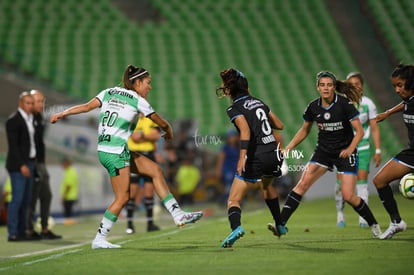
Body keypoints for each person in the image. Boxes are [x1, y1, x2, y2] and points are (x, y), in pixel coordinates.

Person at [50, 65, 203, 249]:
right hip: (115, 152)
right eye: (148, 83)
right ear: (137, 82)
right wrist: (169, 130)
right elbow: (160, 122)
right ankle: (99, 239)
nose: (150, 87)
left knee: (154, 170)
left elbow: (85, 107)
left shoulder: (108, 92)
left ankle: (177, 214)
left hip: (108, 149)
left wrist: (61, 113)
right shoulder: (137, 100)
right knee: (123, 197)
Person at [278, 71, 382, 238]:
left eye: (329, 85)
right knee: (303, 183)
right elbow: (304, 130)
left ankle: (373, 224)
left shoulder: (345, 104)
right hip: (323, 152)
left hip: (345, 153)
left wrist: (350, 149)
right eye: (322, 85)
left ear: (334, 87)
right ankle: (280, 224)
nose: (326, 88)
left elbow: (360, 132)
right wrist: (288, 147)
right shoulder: (313, 107)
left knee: (348, 195)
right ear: (317, 87)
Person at [216, 68, 286, 248]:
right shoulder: (259, 102)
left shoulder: (234, 108)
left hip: (257, 155)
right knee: (267, 186)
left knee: (233, 199)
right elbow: (279, 125)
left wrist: (242, 157)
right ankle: (280, 224)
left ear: (230, 89)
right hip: (274, 153)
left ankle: (236, 227)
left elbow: (245, 130)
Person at [335, 72, 382, 228]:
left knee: (362, 181)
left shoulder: (368, 104)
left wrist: (378, 151)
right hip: (344, 148)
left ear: (362, 85)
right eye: (351, 84)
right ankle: (340, 214)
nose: (355, 86)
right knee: (340, 184)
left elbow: (374, 128)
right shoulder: (341, 103)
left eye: (357, 83)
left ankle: (363, 218)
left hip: (362, 147)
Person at [373, 63, 412, 239]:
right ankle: (396, 222)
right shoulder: (409, 100)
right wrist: (387, 113)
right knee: (379, 180)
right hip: (412, 153)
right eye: (394, 86)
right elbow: (405, 104)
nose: (397, 90)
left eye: (400, 85)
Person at [27, 90, 62, 240]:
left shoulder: (39, 117)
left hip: (41, 162)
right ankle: (27, 229)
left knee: (46, 195)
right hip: (31, 162)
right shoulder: (26, 118)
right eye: (38, 101)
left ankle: (44, 229)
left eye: (43, 101)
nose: (42, 104)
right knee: (32, 196)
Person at [5, 92, 36, 241]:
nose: (31, 105)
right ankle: (13, 232)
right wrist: (22, 165)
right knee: (17, 199)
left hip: (30, 162)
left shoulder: (31, 119)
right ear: (21, 104)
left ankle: (23, 231)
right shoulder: (13, 121)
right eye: (28, 103)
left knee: (26, 200)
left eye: (32, 103)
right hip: (19, 165)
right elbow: (13, 146)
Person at [125, 112, 162, 234]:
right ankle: (129, 225)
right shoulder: (129, 118)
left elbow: (156, 136)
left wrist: (140, 136)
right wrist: (147, 135)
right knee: (132, 191)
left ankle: (150, 224)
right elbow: (128, 135)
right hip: (134, 156)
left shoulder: (150, 119)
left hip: (148, 156)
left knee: (149, 191)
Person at [216, 129, 239, 203]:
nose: (232, 138)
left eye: (233, 136)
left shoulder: (238, 147)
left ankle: (232, 198)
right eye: (230, 137)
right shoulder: (225, 148)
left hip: (235, 169)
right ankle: (225, 198)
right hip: (227, 169)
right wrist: (219, 170)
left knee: (235, 185)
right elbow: (221, 159)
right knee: (230, 184)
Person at [60, 156, 79, 222]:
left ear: (66, 163)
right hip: (71, 196)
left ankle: (68, 225)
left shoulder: (70, 172)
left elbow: (68, 186)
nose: (62, 166)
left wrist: (63, 197)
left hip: (69, 196)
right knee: (69, 214)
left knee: (68, 214)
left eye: (63, 164)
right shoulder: (71, 171)